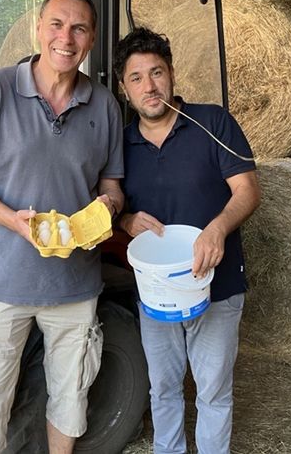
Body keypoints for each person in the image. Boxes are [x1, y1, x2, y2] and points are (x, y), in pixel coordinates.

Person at [0, 0, 124, 454]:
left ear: (89, 41)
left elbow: (112, 186)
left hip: (74, 285)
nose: (65, 37)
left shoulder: (104, 105)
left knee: (71, 397)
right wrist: (12, 221)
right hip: (3, 281)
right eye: (56, 24)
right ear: (37, 28)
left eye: (79, 28)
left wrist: (108, 209)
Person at [114, 27, 261, 454]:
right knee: (163, 388)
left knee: (213, 391)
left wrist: (217, 228)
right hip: (156, 290)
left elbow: (248, 191)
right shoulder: (122, 143)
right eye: (137, 78)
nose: (150, 86)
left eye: (156, 72)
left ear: (172, 74)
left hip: (217, 285)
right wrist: (125, 221)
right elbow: (112, 205)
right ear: (125, 89)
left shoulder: (212, 122)